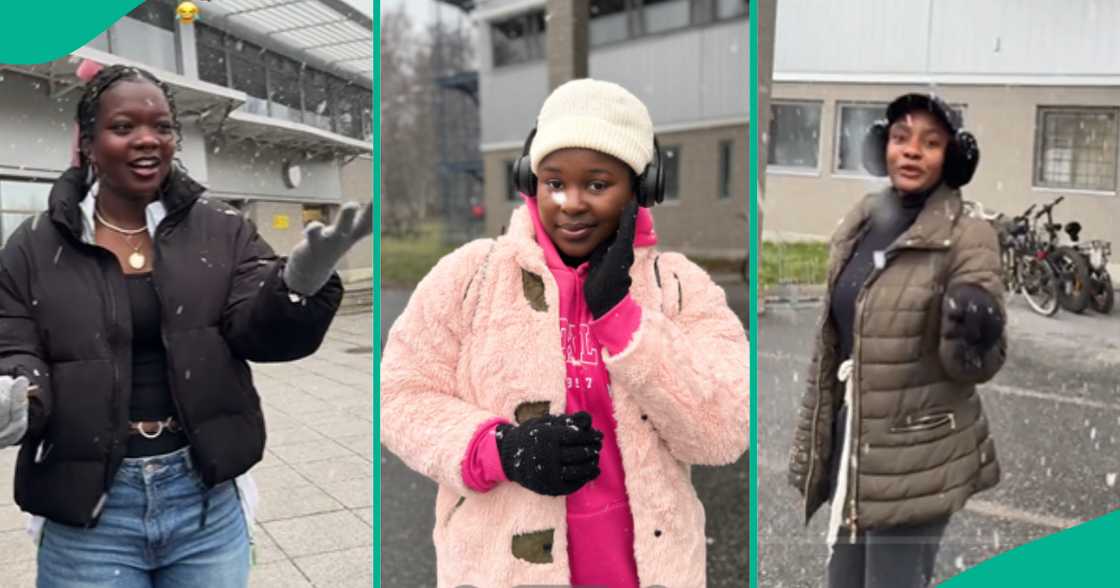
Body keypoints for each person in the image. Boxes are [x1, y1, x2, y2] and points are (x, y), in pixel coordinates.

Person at [0, 64, 371, 587]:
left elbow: (257, 333)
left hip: (203, 501)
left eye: (162, 127)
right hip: (87, 510)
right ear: (87, 142)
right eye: (123, 127)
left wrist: (298, 284)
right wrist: (19, 396)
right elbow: (14, 347)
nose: (147, 139)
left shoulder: (222, 229)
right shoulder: (34, 245)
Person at [380, 78, 750, 587]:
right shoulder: (470, 278)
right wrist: (501, 449)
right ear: (530, 182)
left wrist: (622, 318)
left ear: (642, 187)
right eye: (554, 182)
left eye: (597, 184)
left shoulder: (679, 288)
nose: (570, 202)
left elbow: (724, 431)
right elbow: (400, 396)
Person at [787, 93, 1006, 588]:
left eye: (930, 143)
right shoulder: (863, 220)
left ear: (951, 157)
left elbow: (978, 363)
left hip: (917, 454)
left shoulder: (968, 235)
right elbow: (836, 340)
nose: (911, 151)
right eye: (900, 138)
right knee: (843, 579)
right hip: (855, 440)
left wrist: (976, 327)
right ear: (881, 146)